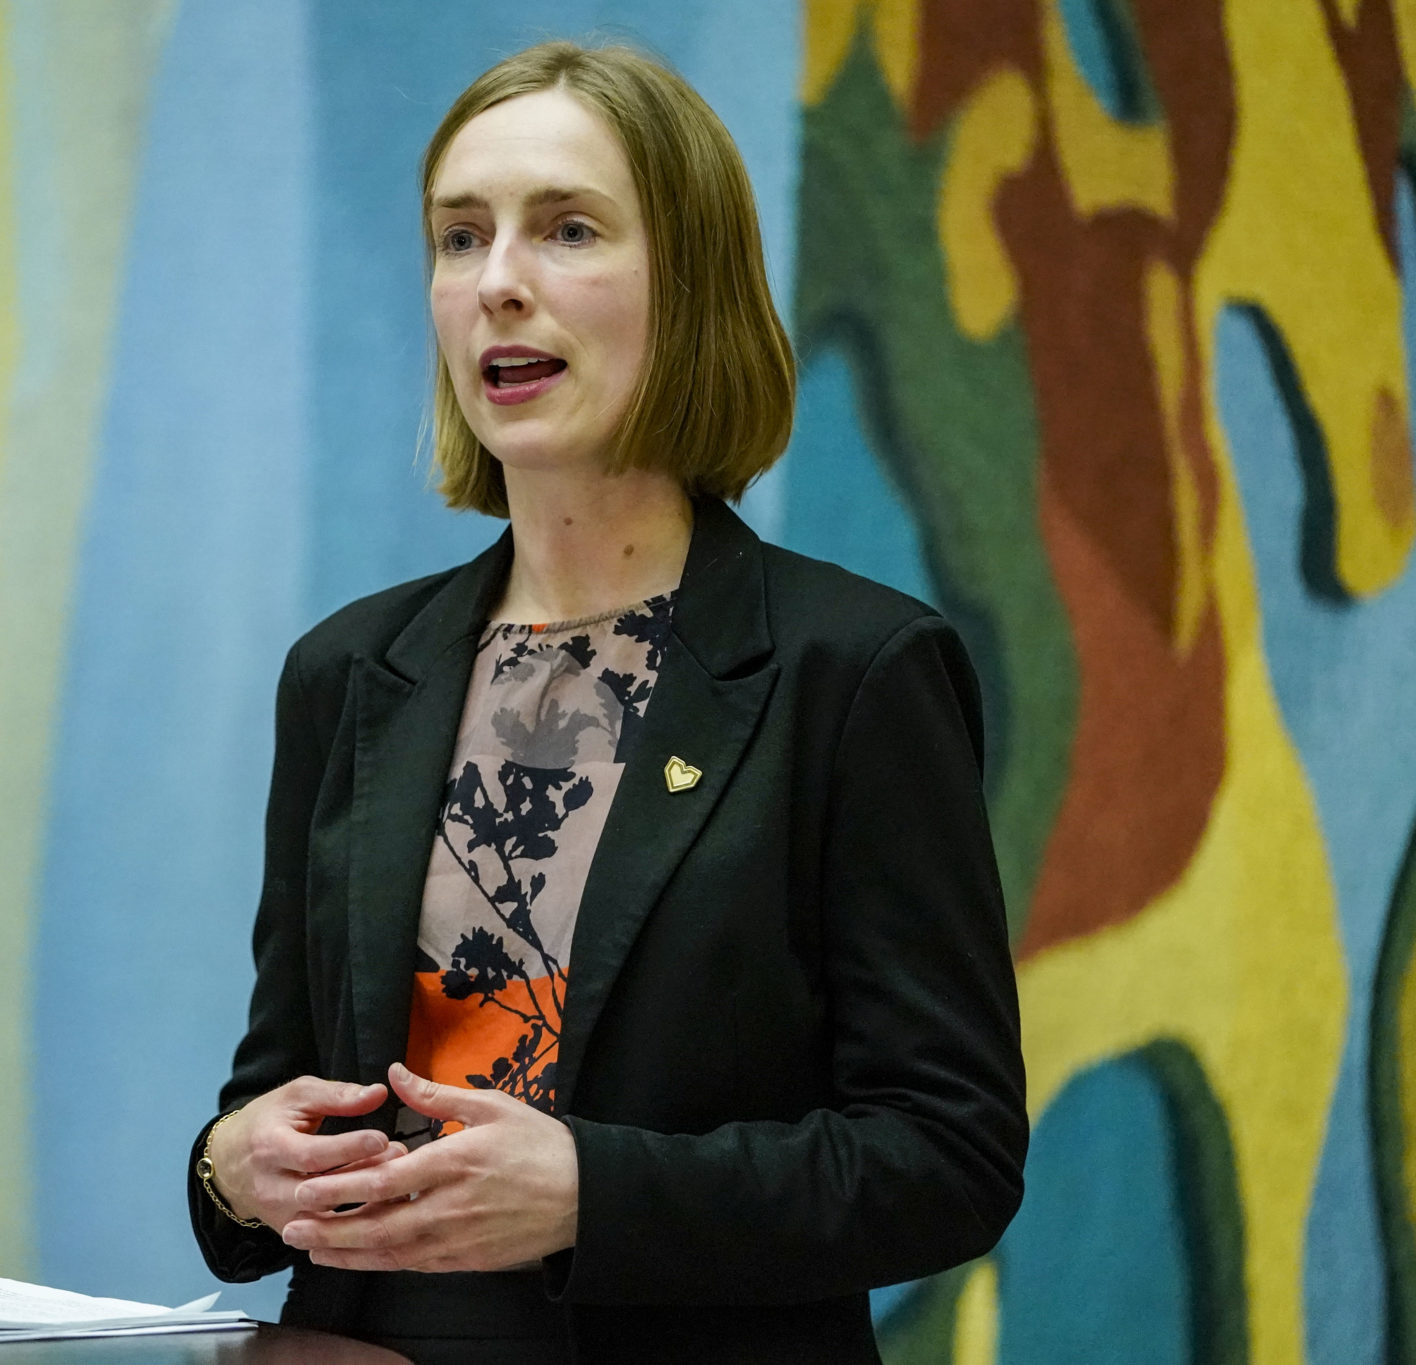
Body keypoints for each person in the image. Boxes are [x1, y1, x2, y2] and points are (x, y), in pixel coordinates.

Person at [186, 39, 1026, 1364]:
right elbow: (273, 1098)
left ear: (689, 285)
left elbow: (948, 1154)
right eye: (461, 238)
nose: (498, 283)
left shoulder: (854, 672)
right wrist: (232, 1167)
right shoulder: (347, 675)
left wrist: (593, 1194)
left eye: (567, 229)